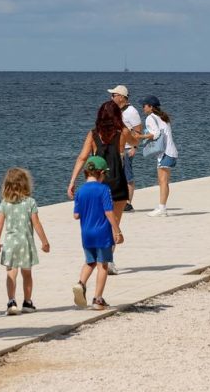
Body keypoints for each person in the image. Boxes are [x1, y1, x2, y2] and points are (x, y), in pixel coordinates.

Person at [68, 100, 136, 273]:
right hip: (118, 183)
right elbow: (135, 141)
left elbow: (82, 158)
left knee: (100, 222)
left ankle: (97, 259)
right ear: (117, 116)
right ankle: (108, 261)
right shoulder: (123, 132)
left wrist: (72, 181)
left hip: (98, 183)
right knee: (115, 222)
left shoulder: (93, 134)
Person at [0, 168, 50, 315]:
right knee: (27, 274)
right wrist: (44, 241)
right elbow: (36, 223)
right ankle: (27, 302)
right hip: (25, 242)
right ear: (25, 184)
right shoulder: (30, 202)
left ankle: (11, 302)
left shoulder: (5, 203)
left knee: (11, 273)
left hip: (10, 242)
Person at [72, 156, 123, 310]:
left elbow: (76, 215)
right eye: (105, 174)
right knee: (103, 265)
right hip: (102, 233)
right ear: (100, 173)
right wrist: (118, 231)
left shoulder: (80, 191)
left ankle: (80, 283)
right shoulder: (104, 189)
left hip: (86, 233)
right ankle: (97, 299)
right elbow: (109, 212)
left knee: (90, 261)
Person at [139, 96, 178, 215]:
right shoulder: (162, 117)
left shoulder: (150, 118)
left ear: (150, 107)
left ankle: (162, 208)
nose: (143, 108)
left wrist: (140, 137)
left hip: (165, 153)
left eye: (144, 105)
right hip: (170, 151)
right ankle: (162, 207)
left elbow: (155, 135)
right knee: (163, 181)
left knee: (162, 181)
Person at [109, 85, 142, 212]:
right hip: (116, 148)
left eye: (114, 95)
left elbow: (137, 130)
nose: (112, 97)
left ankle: (128, 203)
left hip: (127, 148)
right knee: (115, 175)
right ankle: (117, 200)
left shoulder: (132, 111)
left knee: (127, 175)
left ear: (122, 97)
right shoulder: (115, 110)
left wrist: (134, 146)